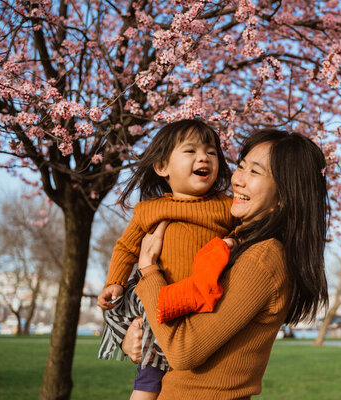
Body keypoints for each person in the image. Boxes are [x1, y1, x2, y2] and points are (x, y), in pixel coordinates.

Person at [125, 129, 330, 399]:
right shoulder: (235, 243)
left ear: (284, 195)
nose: (238, 180)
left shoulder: (263, 258)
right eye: (241, 166)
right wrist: (139, 330)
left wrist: (149, 271)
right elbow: (184, 315)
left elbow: (184, 350)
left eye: (254, 172)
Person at [96, 119, 237, 400]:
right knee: (148, 378)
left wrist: (236, 239)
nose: (203, 158)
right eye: (190, 151)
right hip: (157, 303)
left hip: (197, 303)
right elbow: (125, 247)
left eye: (211, 152)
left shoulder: (225, 206)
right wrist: (115, 281)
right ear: (162, 167)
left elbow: (247, 229)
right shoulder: (150, 209)